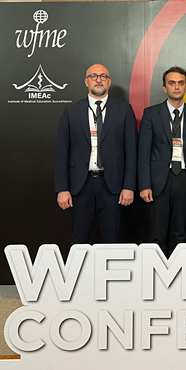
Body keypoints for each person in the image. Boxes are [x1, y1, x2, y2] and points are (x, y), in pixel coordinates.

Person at [55, 64, 137, 244]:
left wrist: (129, 186)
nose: (98, 80)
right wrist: (62, 188)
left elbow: (132, 151)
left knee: (111, 239)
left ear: (109, 82)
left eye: (103, 76)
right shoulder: (71, 111)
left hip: (112, 186)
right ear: (86, 82)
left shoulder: (124, 110)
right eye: (93, 76)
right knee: (79, 239)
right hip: (80, 186)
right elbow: (62, 152)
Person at [137, 66, 186, 256]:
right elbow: (143, 153)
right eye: (172, 83)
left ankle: (178, 271)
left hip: (184, 179)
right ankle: (155, 271)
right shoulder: (151, 114)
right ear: (164, 87)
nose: (176, 87)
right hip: (158, 180)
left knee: (179, 233)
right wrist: (144, 185)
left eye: (181, 83)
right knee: (156, 234)